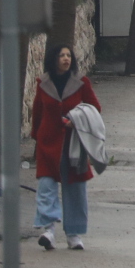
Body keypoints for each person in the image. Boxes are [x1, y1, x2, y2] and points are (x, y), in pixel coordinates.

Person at [29, 42, 100, 251]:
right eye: (61, 56)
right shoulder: (43, 83)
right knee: (45, 187)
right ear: (54, 59)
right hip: (48, 143)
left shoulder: (81, 83)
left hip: (74, 145)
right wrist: (37, 137)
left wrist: (76, 121)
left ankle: (74, 234)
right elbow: (37, 112)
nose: (66, 59)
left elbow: (94, 108)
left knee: (76, 188)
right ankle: (48, 231)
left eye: (69, 56)